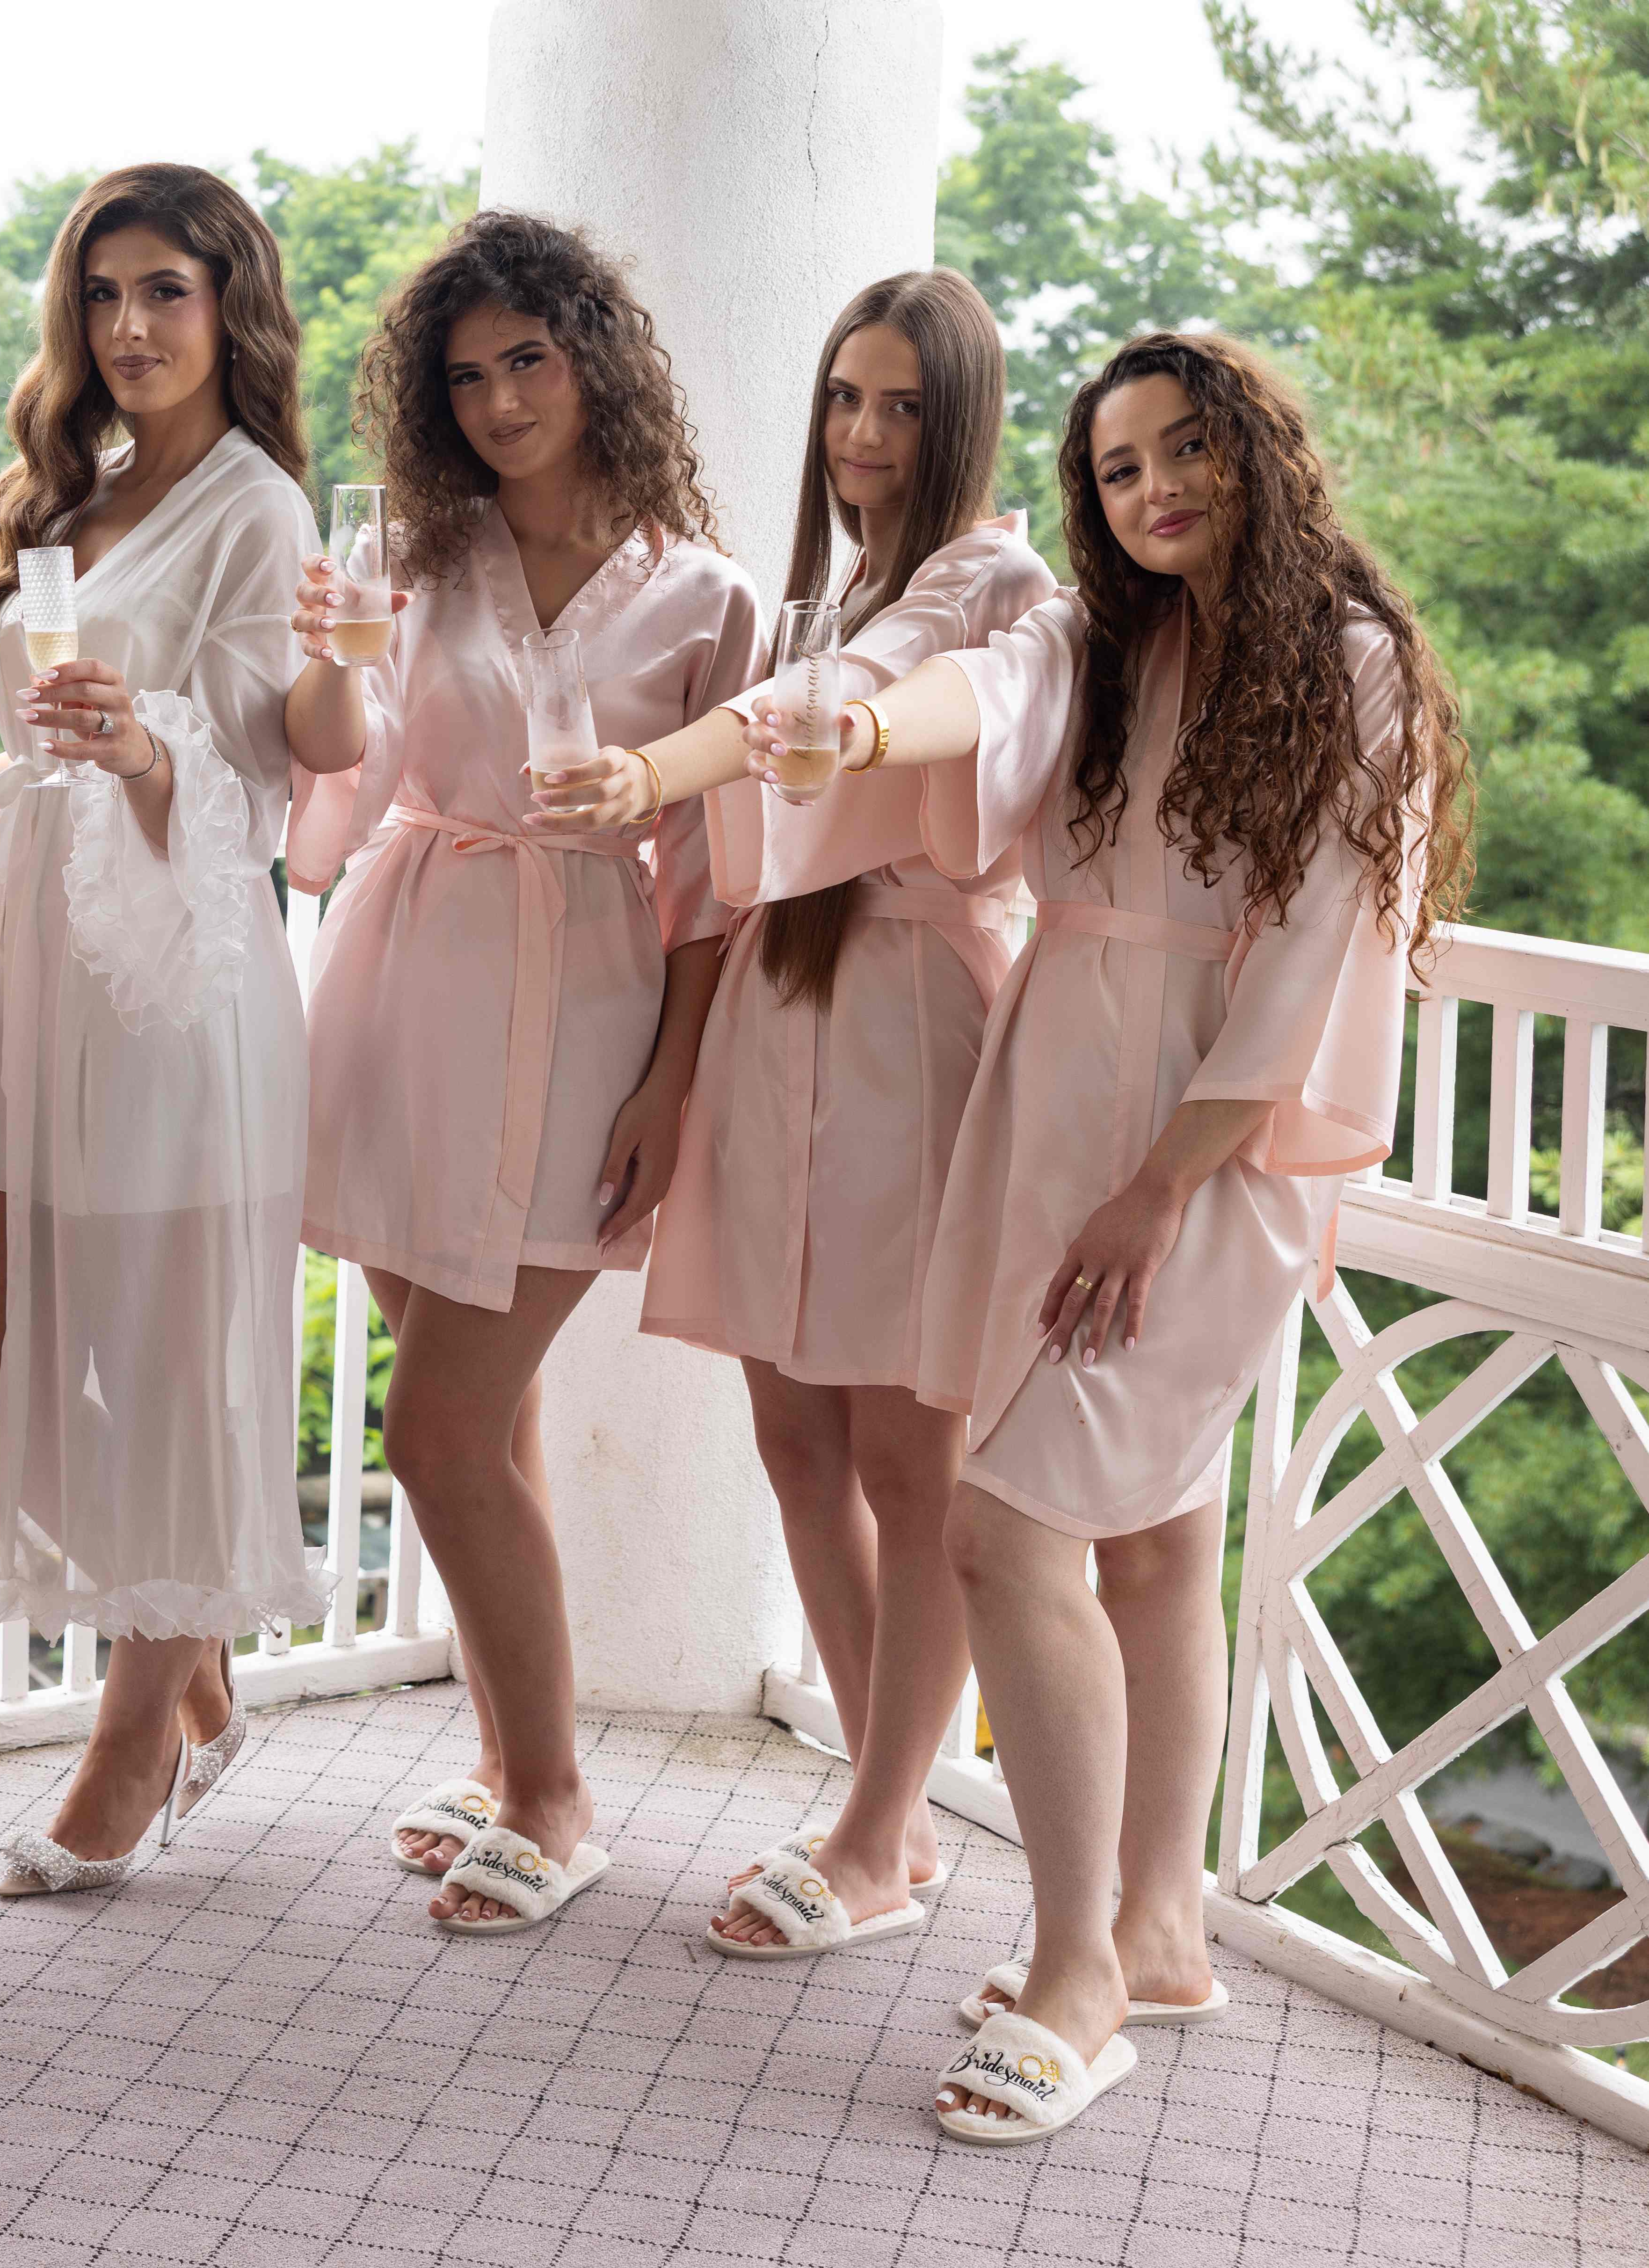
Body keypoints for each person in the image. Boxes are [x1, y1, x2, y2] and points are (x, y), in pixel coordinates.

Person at [584, 332, 1469, 2140]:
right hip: (1039, 1096)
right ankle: (1156, 1927)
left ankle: (1069, 1970)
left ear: (1257, 458)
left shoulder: (1354, 670)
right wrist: (823, 726)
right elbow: (955, 700)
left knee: (1006, 1524)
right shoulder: (1097, 638)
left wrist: (1165, 1181)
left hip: (1201, 1143)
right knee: (1150, 1541)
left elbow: (1314, 963)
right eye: (1122, 464)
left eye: (1185, 451)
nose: (1155, 489)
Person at [535, 270, 1053, 1960]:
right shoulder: (817, 587)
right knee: (793, 1438)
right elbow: (783, 746)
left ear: (959, 415)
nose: (864, 436)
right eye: (845, 398)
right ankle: (878, 1800)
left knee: (914, 1455)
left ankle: (879, 1827)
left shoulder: (990, 575)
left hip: (915, 1021)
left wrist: (650, 776)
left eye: (902, 405)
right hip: (781, 1014)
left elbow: (826, 720)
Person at [280, 211, 755, 1933]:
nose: (495, 401)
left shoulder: (705, 598)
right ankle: (505, 1761)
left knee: (438, 1422)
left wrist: (672, 1081)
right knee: (478, 1413)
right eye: (465, 376)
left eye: (526, 361)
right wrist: (329, 658)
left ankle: (553, 1802)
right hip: (408, 978)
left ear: (594, 361)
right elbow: (335, 780)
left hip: (583, 1009)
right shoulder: (423, 564)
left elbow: (713, 874)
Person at [0, 161, 325, 1893]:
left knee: (158, 1363)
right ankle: (194, 1661)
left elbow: (262, 782)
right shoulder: (76, 488)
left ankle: (132, 1729)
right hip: (27, 953)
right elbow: (24, 751)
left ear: (230, 304)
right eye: (101, 295)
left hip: (170, 969)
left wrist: (146, 754)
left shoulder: (258, 510)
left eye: (165, 289)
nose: (130, 327)